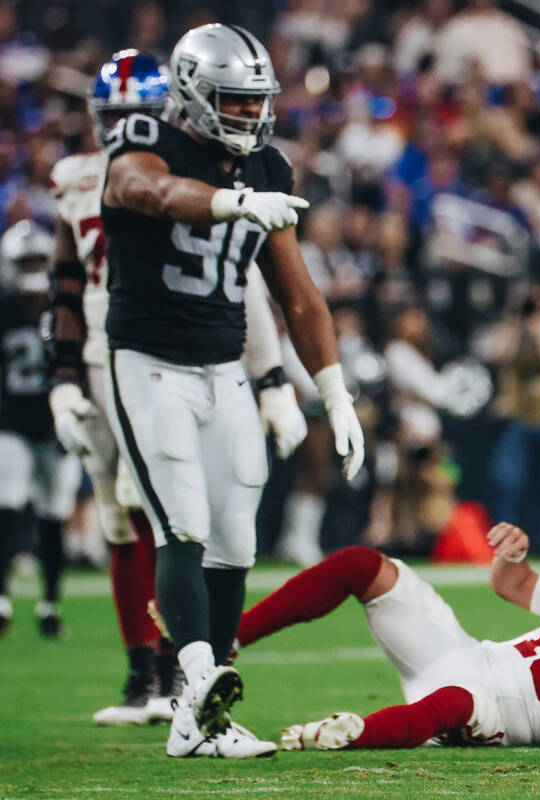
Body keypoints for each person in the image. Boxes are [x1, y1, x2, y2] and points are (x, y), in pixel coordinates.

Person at [98, 23, 364, 758]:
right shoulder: (148, 137)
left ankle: (198, 717)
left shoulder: (269, 169)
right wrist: (226, 203)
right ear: (192, 93)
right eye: (234, 102)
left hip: (224, 368)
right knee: (180, 519)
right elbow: (141, 188)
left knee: (237, 536)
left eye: (257, 102)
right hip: (149, 361)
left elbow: (299, 297)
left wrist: (334, 393)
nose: (250, 115)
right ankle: (195, 686)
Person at [45, 49, 308, 727]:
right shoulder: (81, 178)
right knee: (121, 514)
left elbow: (243, 287)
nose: (126, 127)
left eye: (137, 114)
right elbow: (65, 281)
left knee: (170, 516)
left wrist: (273, 377)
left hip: (180, 348)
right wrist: (63, 376)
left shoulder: (199, 169)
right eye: (113, 117)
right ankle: (149, 678)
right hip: (119, 350)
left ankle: (179, 673)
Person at [231, 525, 540, 750]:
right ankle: (226, 640)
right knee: (362, 566)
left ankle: (359, 733)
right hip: (467, 656)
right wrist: (511, 556)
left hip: (498, 713)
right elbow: (512, 586)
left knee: (451, 703)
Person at [0, 222, 82, 640]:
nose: (32, 269)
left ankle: (50, 601)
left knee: (55, 512)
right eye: (25, 262)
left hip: (56, 421)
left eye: (37, 260)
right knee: (8, 502)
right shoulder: (5, 307)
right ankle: (1, 596)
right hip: (11, 419)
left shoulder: (66, 305)